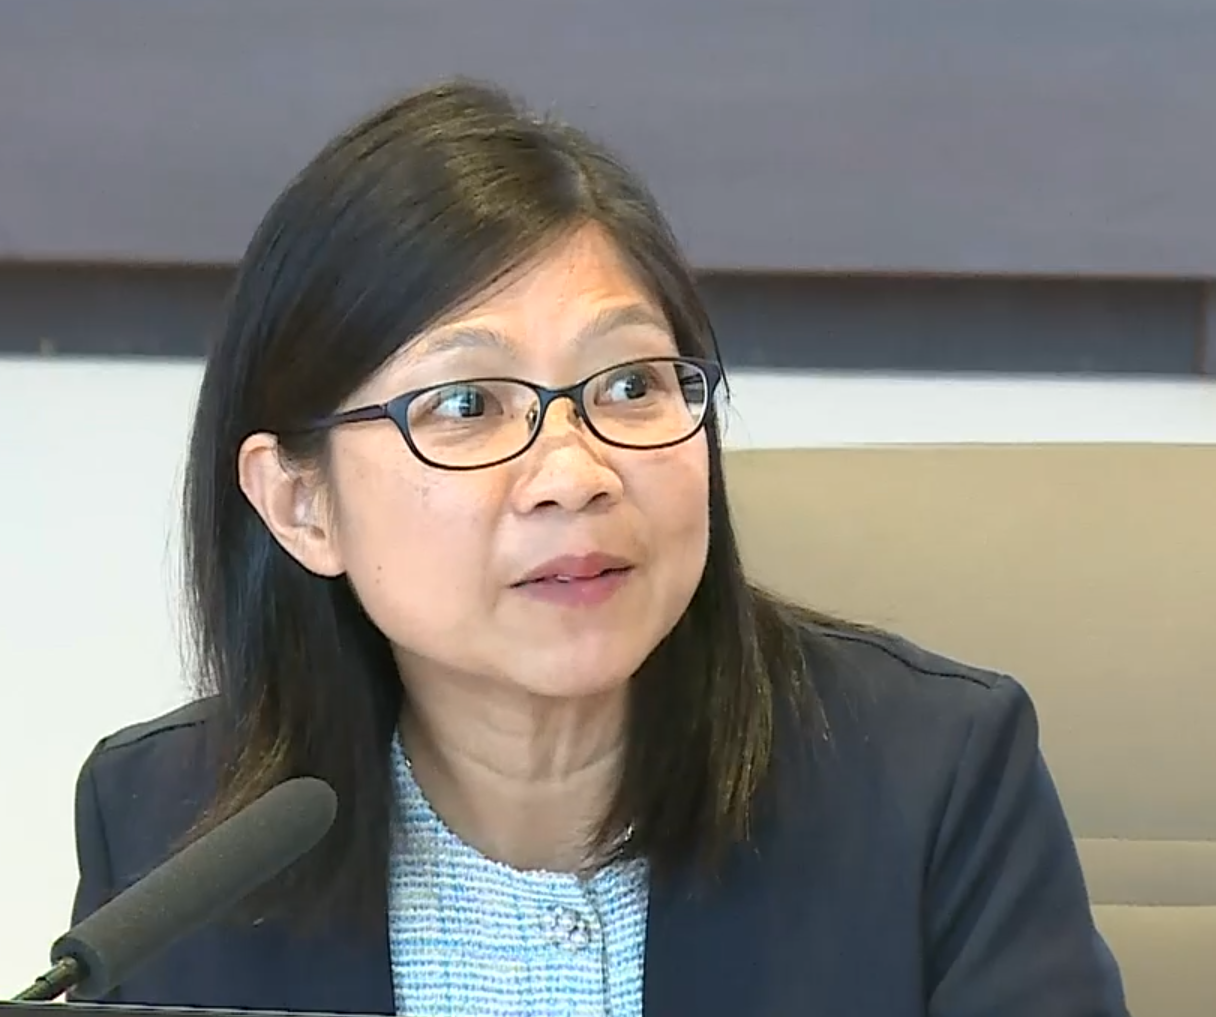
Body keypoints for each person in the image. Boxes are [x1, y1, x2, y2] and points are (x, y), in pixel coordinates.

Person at [67, 80, 1128, 1017]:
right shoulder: (171, 838)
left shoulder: (929, 782)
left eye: (628, 385)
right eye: (468, 404)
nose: (574, 473)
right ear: (302, 504)